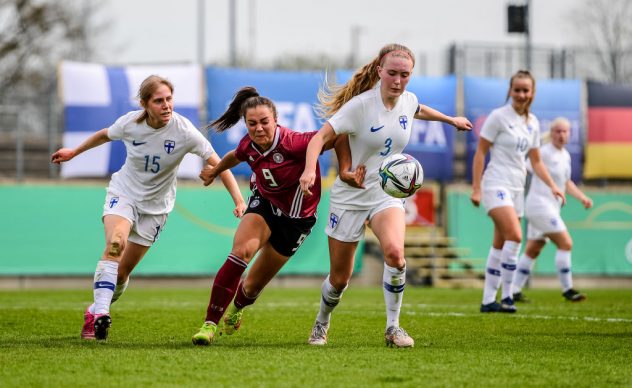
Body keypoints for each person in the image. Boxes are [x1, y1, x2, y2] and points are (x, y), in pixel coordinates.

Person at [299, 43, 473, 348]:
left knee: (396, 254)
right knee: (340, 279)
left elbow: (419, 109)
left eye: (405, 75)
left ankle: (393, 328)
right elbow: (320, 138)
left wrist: (450, 120)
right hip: (350, 197)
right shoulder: (360, 106)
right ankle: (321, 322)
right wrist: (310, 171)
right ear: (379, 71)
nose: (398, 80)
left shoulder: (408, 100)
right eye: (392, 73)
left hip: (386, 193)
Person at [51, 75, 246, 341]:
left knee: (122, 273)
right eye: (158, 101)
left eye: (169, 99)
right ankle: (102, 315)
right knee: (115, 244)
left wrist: (238, 200)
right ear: (144, 104)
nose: (166, 105)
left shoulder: (184, 131)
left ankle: (94, 309)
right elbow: (103, 135)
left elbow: (220, 163)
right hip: (125, 194)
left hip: (156, 208)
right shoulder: (130, 124)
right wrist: (74, 152)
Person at [191, 86, 354, 346]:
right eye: (252, 123)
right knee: (241, 251)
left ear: (276, 120)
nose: (258, 129)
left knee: (251, 288)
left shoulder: (293, 142)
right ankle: (209, 324)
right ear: (245, 124)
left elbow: (338, 136)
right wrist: (214, 171)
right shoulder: (249, 145)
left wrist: (339, 170)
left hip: (297, 220)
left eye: (264, 122)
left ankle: (237, 309)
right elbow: (236, 155)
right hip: (265, 204)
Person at [470, 70, 566, 314]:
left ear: (532, 93)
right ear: (510, 91)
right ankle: (509, 296)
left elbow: (536, 162)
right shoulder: (498, 117)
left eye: (526, 90)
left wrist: (554, 186)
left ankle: (488, 300)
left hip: (516, 188)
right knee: (514, 235)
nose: (521, 94)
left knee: (500, 243)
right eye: (517, 90)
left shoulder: (533, 123)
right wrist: (477, 188)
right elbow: (480, 152)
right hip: (495, 184)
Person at [512, 117, 592, 302]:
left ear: (570, 134)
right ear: (552, 132)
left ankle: (514, 290)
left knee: (534, 248)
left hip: (551, 207)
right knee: (566, 243)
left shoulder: (565, 156)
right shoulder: (544, 152)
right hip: (539, 205)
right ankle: (567, 289)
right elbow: (527, 166)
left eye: (565, 131)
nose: (561, 135)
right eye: (558, 131)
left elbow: (566, 183)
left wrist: (582, 198)